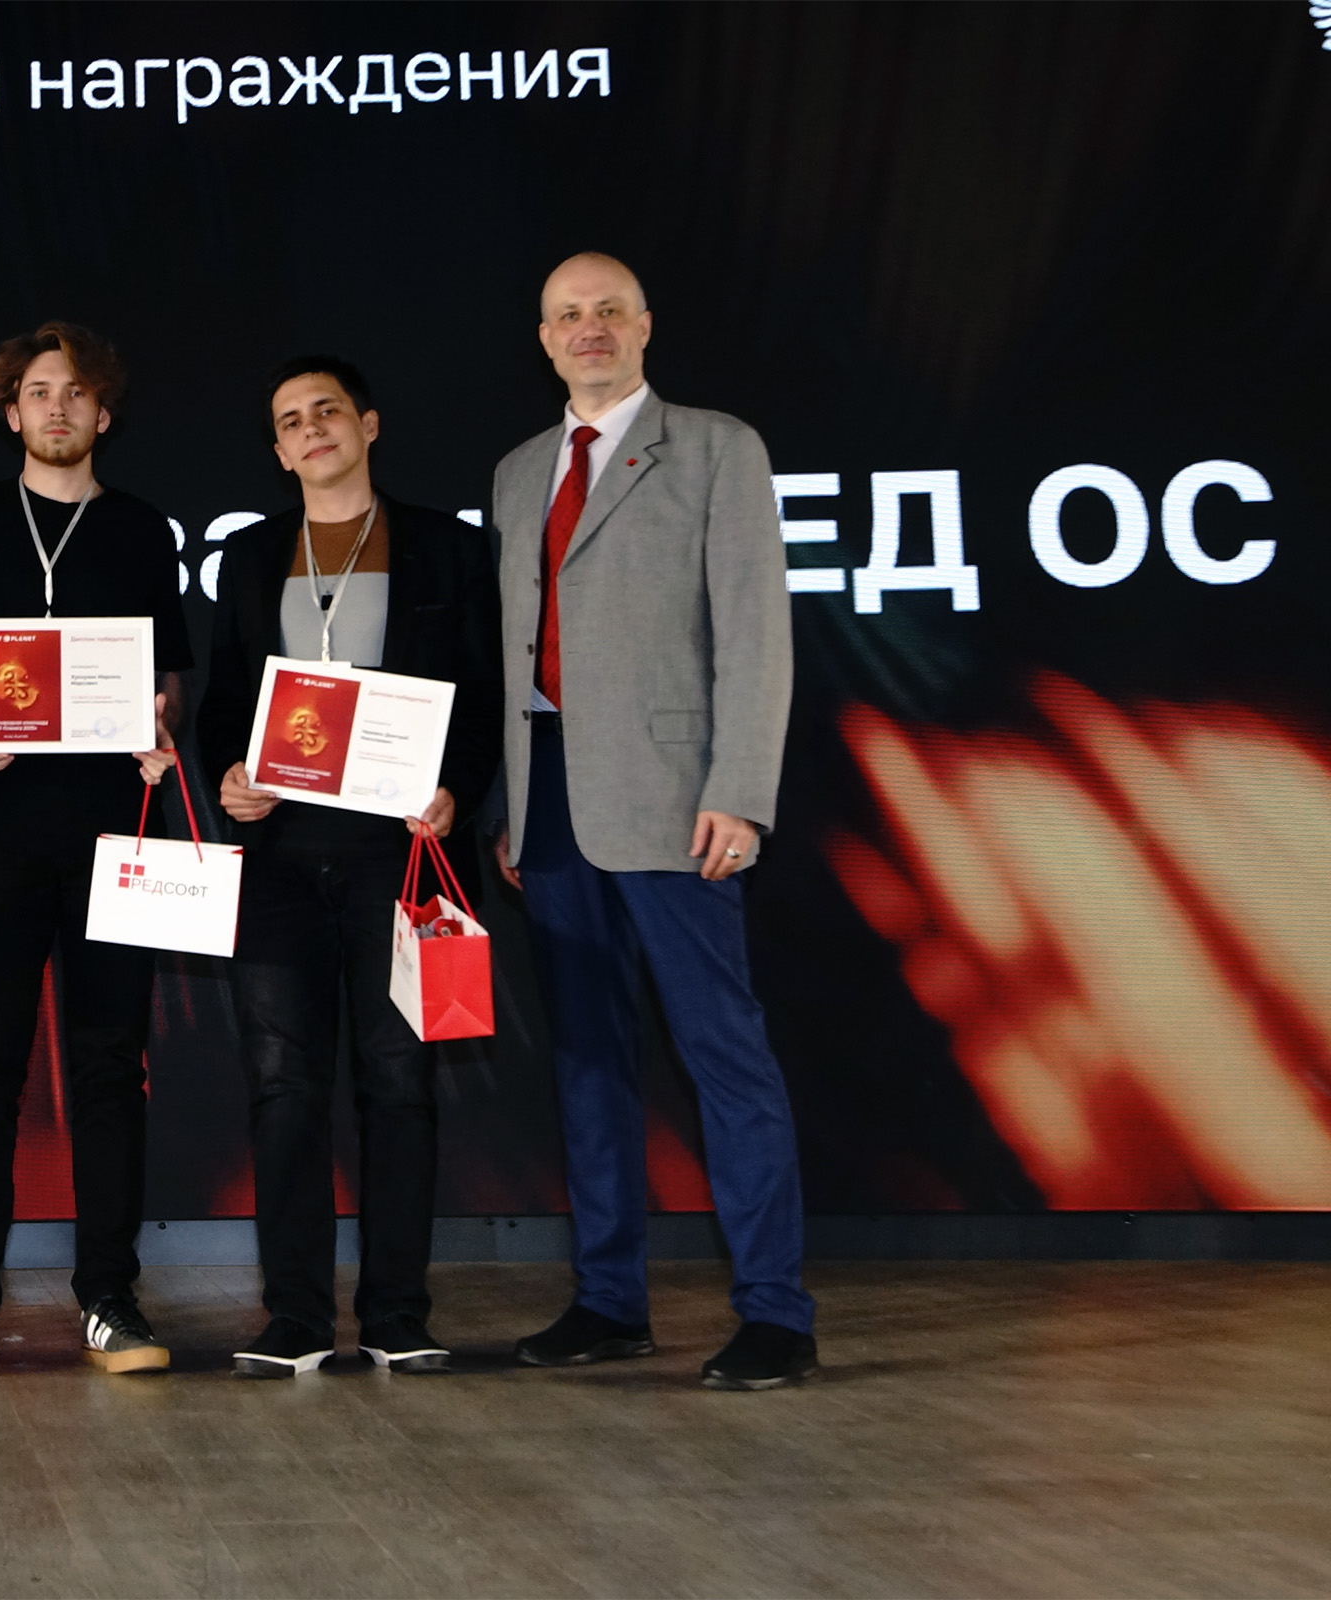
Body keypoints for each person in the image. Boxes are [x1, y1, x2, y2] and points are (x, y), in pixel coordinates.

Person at [490, 252, 816, 1390]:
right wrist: (510, 802)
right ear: (544, 339)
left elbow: (755, 632)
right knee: (588, 1065)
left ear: (643, 327)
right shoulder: (518, 472)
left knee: (723, 1053)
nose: (588, 329)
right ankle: (608, 1300)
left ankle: (774, 1312)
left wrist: (741, 788)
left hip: (681, 802)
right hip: (551, 804)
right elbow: (514, 654)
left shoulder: (717, 447)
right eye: (566, 315)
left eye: (608, 311)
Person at [195, 356, 503, 1378]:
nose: (311, 428)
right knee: (281, 1086)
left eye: (327, 410)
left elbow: (482, 694)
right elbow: (224, 700)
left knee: (398, 1082)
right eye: (290, 420)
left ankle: (396, 1314)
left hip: (398, 854)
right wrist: (231, 775)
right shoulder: (251, 556)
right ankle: (292, 1316)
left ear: (368, 425)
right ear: (279, 452)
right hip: (281, 858)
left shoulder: (449, 547)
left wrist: (457, 791)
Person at [0, 322, 193, 1379]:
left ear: (103, 413)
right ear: (10, 409)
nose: (57, 407)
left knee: (112, 1068)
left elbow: (170, 674)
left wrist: (159, 726)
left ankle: (109, 1293)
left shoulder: (143, 529)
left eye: (76, 392)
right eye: (38, 391)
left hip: (114, 833)